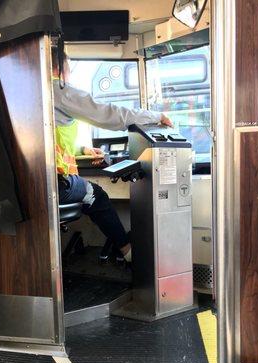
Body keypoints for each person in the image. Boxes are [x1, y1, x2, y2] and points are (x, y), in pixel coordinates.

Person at [52, 48, 173, 262]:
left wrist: (83, 150)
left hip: (23, 188)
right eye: (68, 69)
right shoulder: (57, 90)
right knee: (96, 195)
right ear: (60, 69)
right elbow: (109, 114)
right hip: (55, 185)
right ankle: (128, 252)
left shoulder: (25, 94)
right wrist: (156, 116)